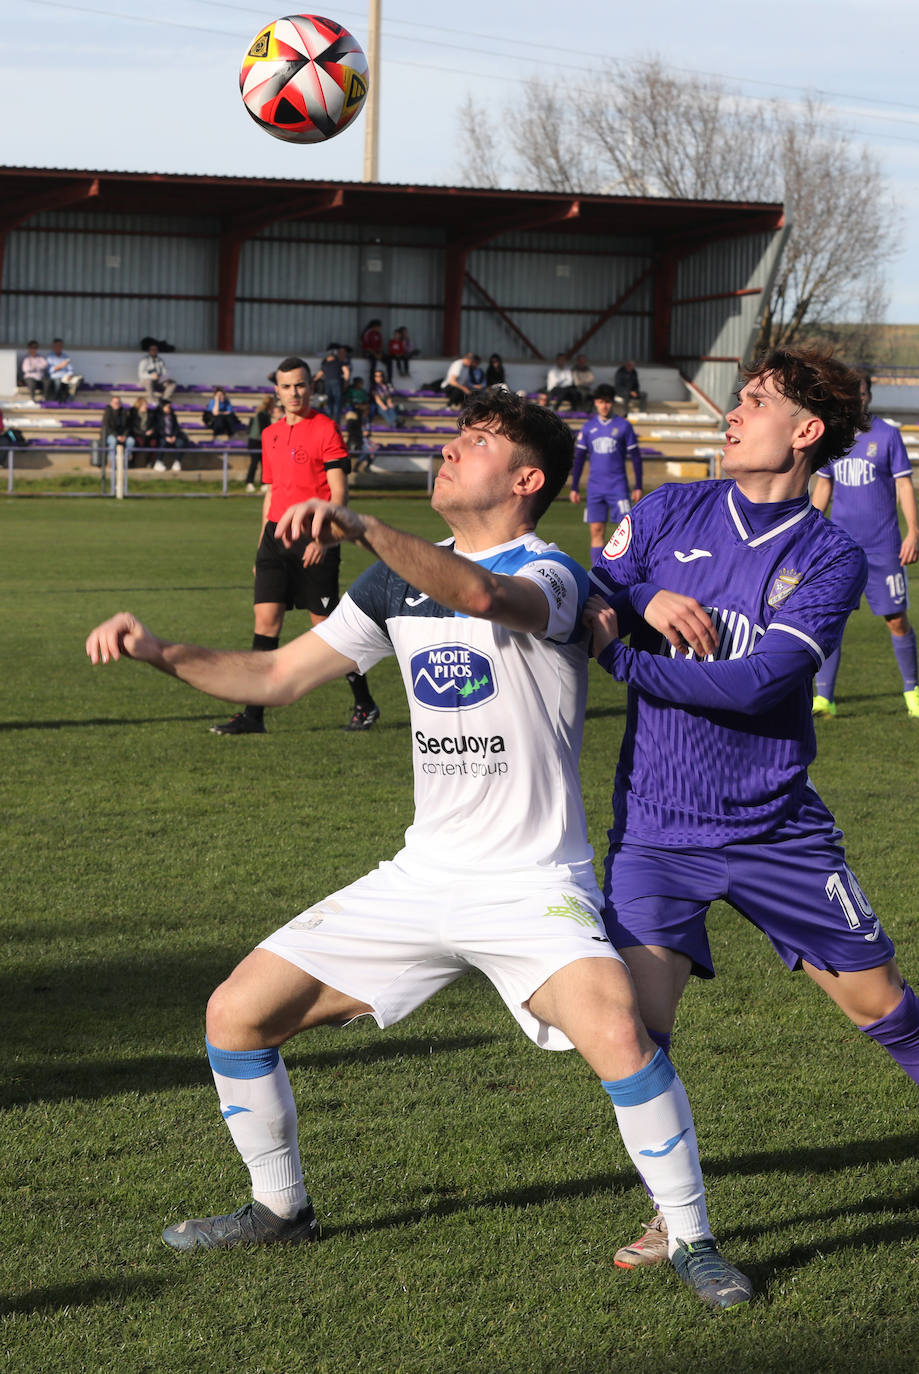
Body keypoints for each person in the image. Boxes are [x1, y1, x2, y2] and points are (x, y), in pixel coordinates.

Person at [83, 390, 751, 1312]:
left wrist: (360, 523)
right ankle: (280, 1209)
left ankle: (692, 1240)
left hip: (531, 885)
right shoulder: (391, 585)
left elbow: (481, 595)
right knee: (236, 1014)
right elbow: (277, 676)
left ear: (524, 481)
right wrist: (161, 652)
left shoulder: (555, 573)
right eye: (453, 436)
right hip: (422, 876)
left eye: (474, 443)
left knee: (616, 1030)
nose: (448, 450)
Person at [584, 344, 919, 1269]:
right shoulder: (666, 510)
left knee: (888, 1012)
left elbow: (757, 686)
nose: (731, 415)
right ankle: (677, 1214)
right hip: (655, 830)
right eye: (736, 399)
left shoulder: (829, 555)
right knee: (637, 1039)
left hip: (776, 830)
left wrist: (621, 657)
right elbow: (590, 586)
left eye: (753, 402)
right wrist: (641, 593)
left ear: (805, 431)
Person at [207, 357, 379, 736]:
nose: (294, 392)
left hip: (315, 537)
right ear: (277, 391)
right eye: (286, 386)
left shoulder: (326, 429)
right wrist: (260, 547)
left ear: (310, 387)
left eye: (300, 385)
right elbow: (272, 495)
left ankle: (364, 703)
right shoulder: (270, 434)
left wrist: (325, 539)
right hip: (274, 540)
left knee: (329, 631)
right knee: (266, 623)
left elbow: (339, 493)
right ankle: (254, 715)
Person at [809, 373, 919, 720]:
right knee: (832, 621)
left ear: (868, 396)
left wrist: (913, 532)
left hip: (883, 547)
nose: (855, 399)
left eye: (859, 393)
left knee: (896, 620)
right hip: (841, 549)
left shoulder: (888, 436)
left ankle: (912, 690)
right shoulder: (833, 436)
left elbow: (904, 486)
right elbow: (823, 489)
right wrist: (810, 531)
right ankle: (824, 698)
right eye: (848, 394)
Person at [569, 384, 642, 562]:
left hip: (618, 486)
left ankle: (625, 575)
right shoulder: (588, 428)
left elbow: (636, 457)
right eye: (601, 402)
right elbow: (579, 459)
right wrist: (574, 487)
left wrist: (638, 485)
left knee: (625, 533)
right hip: (595, 488)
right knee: (596, 531)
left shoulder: (624, 426)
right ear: (595, 403)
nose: (604, 406)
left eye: (608, 402)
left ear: (612, 403)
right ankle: (597, 576)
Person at [245, 397, 279, 492]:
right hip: (256, 441)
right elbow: (264, 430)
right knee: (254, 463)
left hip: (259, 441)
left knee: (264, 463)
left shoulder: (264, 414)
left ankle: (263, 483)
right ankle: (249, 482)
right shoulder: (262, 414)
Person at [313, 345, 349, 424]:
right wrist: (346, 382)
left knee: (330, 402)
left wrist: (313, 381)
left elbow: (320, 374)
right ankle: (337, 422)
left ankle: (329, 421)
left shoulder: (325, 364)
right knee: (337, 402)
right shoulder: (339, 362)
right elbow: (346, 371)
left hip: (328, 382)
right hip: (336, 382)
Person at [152, 399, 189, 471]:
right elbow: (158, 429)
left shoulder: (173, 416)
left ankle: (177, 462)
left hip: (172, 437)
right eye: (167, 407)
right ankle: (158, 462)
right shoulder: (157, 417)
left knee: (180, 443)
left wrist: (174, 436)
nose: (169, 408)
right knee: (162, 443)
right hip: (162, 437)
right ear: (163, 407)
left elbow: (176, 427)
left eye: (170, 407)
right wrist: (165, 437)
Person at [99, 395, 133, 470]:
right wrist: (116, 436)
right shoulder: (108, 412)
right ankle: (113, 464)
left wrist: (125, 436)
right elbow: (107, 427)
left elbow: (128, 426)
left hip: (123, 435)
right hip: (111, 435)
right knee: (113, 441)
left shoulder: (124, 412)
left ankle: (125, 463)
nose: (116, 404)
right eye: (115, 403)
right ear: (111, 403)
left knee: (131, 441)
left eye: (118, 402)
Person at [126, 396, 160, 465]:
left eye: (146, 404)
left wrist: (152, 431)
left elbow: (154, 425)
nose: (146, 406)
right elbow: (133, 427)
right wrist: (143, 433)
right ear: (139, 405)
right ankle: (132, 461)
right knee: (138, 441)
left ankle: (150, 462)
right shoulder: (133, 414)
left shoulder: (150, 414)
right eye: (144, 405)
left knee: (154, 442)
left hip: (149, 435)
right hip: (138, 434)